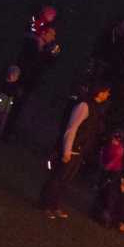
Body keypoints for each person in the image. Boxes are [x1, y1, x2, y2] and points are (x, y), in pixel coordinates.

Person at [39, 86, 110, 219]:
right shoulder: (84, 106)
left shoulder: (96, 109)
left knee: (65, 181)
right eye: (106, 92)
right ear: (99, 92)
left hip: (79, 152)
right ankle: (45, 204)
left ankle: (54, 205)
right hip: (71, 150)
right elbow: (72, 128)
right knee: (57, 179)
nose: (107, 95)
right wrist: (67, 150)